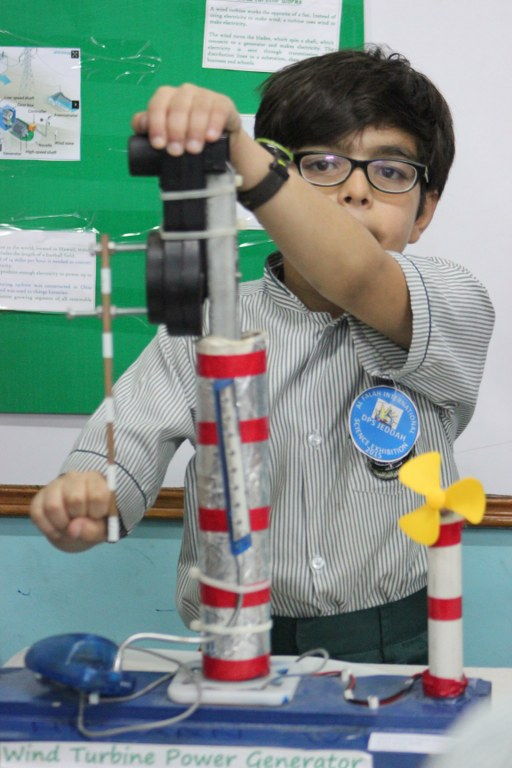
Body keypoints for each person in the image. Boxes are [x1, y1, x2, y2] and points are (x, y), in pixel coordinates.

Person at [30, 46, 494, 664]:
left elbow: (357, 275)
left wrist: (240, 150)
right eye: (322, 164)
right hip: (235, 633)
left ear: (424, 210)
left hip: (397, 636)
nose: (356, 191)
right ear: (275, 189)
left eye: (390, 172)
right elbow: (124, 447)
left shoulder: (452, 303)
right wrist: (86, 497)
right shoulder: (209, 325)